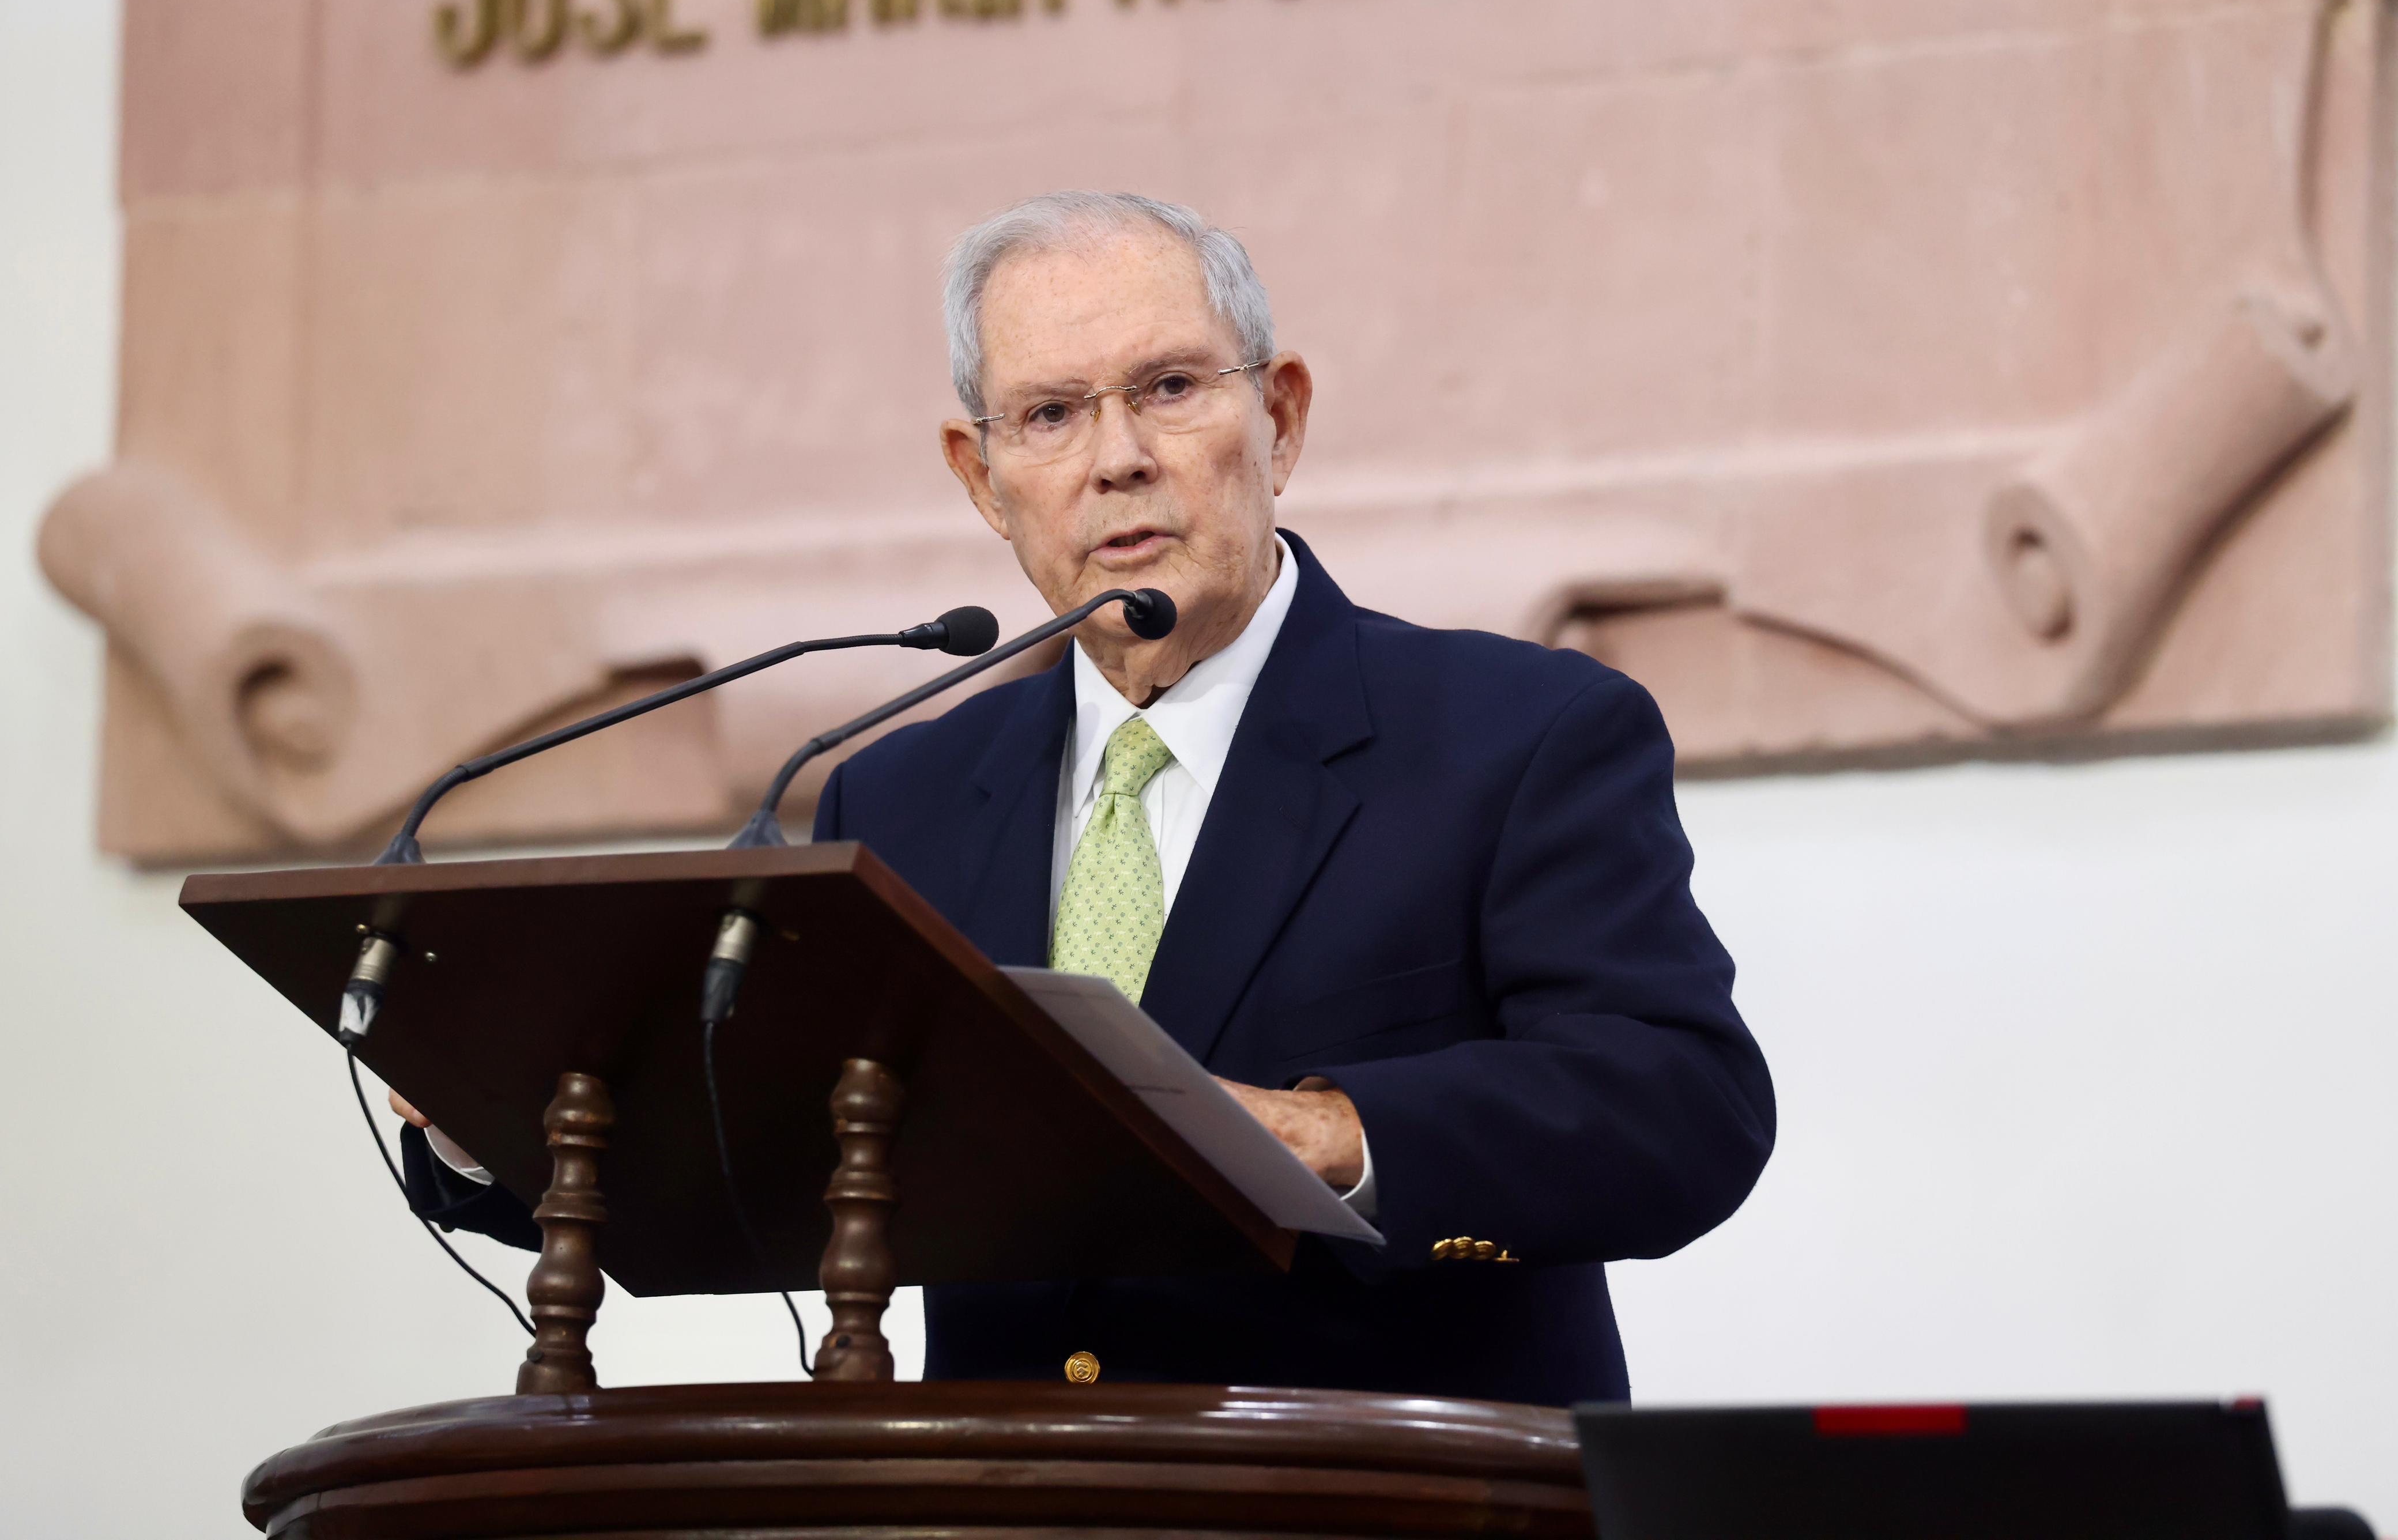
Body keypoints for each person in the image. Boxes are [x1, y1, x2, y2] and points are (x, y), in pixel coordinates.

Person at [398, 190, 1774, 1404]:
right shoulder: (899, 793)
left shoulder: (1518, 735)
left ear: (1279, 417)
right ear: (983, 479)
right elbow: (778, 1144)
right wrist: (497, 1111)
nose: (1115, 457)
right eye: (1050, 414)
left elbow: (1679, 1104)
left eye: (1169, 388)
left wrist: (1322, 1131)